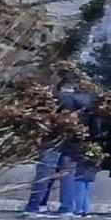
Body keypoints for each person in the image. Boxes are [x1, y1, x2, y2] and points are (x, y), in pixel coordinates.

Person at [25, 84, 92, 213]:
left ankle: (33, 206)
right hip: (73, 143)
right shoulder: (85, 103)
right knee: (68, 176)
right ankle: (67, 208)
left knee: (44, 174)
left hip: (52, 141)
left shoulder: (54, 100)